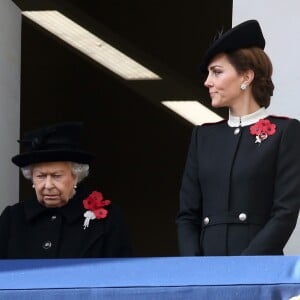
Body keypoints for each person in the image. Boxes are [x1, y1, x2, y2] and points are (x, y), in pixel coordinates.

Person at [176, 20, 300, 256]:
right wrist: (193, 267)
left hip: (258, 268)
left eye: (217, 72)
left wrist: (245, 267)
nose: (207, 82)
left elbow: (285, 212)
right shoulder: (203, 136)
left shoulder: (284, 132)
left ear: (246, 76)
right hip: (205, 271)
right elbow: (187, 215)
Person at [0, 122, 132, 258]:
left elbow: (120, 274)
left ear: (76, 176)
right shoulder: (12, 218)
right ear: (32, 178)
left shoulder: (107, 220)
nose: (48, 185)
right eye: (41, 176)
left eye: (57, 176)